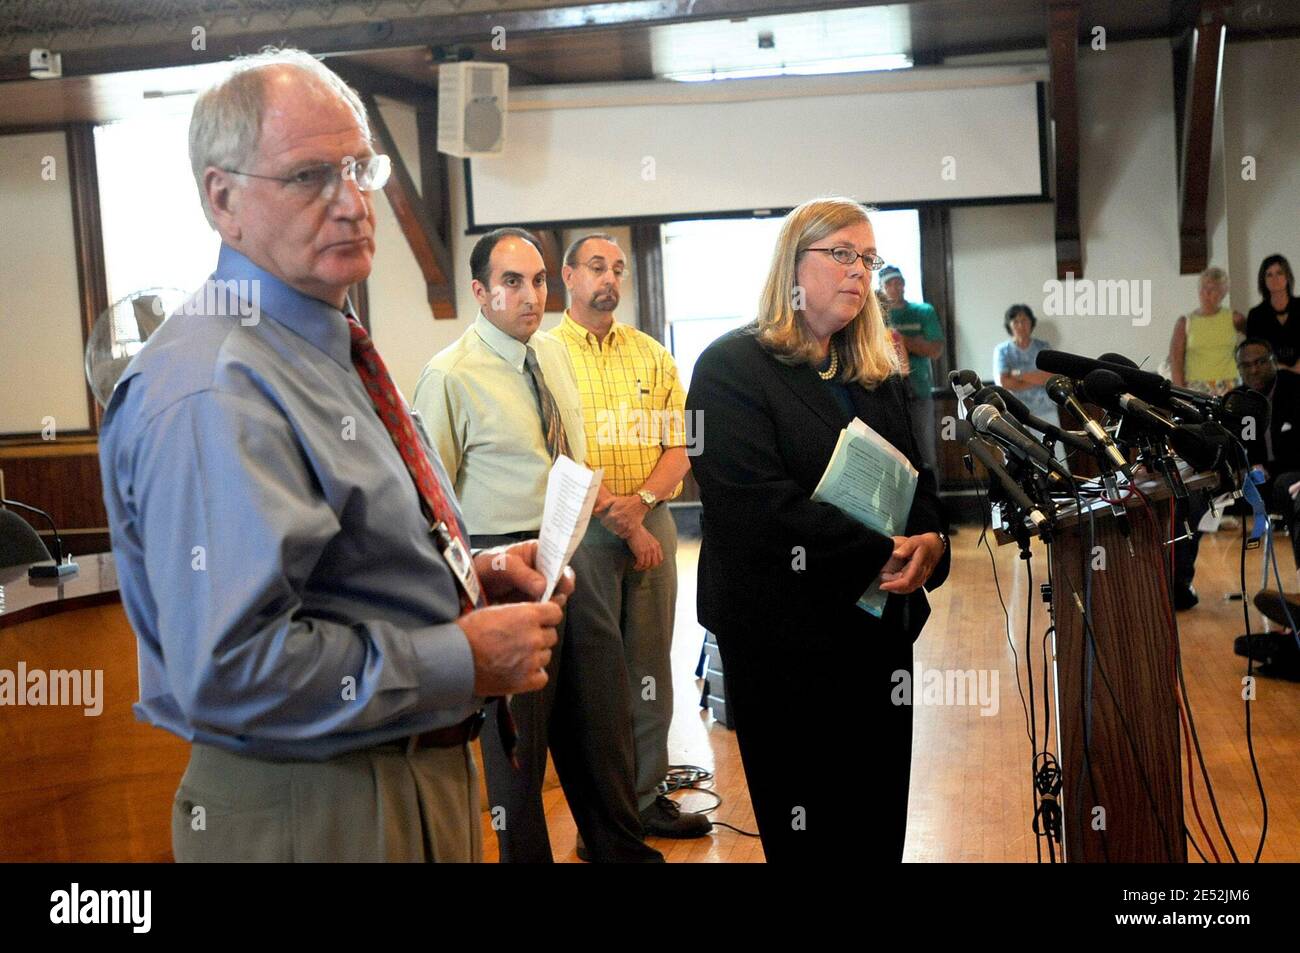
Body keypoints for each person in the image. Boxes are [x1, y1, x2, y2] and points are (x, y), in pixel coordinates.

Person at [98, 49, 568, 863]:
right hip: (317, 806)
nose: (353, 202)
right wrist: (460, 653)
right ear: (223, 198)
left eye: (362, 167)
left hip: (407, 776)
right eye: (311, 175)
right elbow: (234, 666)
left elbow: (345, 567)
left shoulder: (323, 345)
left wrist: (462, 581)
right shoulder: (217, 383)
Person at [686, 197, 951, 862]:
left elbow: (918, 480)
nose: (860, 271)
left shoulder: (875, 372)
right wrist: (885, 550)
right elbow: (757, 510)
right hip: (786, 643)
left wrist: (933, 542)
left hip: (878, 631)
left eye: (869, 258)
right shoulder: (730, 367)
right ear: (793, 266)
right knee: (811, 831)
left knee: (877, 821)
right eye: (842, 254)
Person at [412, 228, 660, 863]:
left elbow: (571, 454)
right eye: (513, 282)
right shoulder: (449, 375)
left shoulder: (549, 357)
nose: (531, 295)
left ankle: (620, 852)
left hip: (573, 549)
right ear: (480, 291)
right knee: (520, 743)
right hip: (502, 563)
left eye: (540, 280)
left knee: (602, 721)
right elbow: (429, 505)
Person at [555, 234, 707, 842]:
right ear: (567, 275)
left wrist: (640, 507)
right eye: (596, 267)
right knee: (596, 679)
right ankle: (608, 817)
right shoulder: (542, 353)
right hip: (581, 530)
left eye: (618, 269)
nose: (610, 279)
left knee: (651, 670)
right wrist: (613, 513)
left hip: (652, 525)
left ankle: (647, 799)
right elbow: (547, 448)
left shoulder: (651, 354)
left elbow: (683, 443)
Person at [879, 264, 944, 471]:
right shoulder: (876, 317)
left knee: (925, 453)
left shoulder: (923, 312)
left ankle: (933, 500)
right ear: (881, 288)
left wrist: (899, 339)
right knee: (892, 454)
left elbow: (935, 350)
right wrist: (915, 343)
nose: (895, 287)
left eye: (898, 282)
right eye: (889, 283)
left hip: (919, 391)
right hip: (884, 394)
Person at [1167, 266, 1245, 394]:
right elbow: (1176, 360)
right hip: (1196, 387)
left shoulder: (1235, 318)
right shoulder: (1185, 322)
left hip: (1230, 385)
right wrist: (1180, 393)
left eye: (1212, 289)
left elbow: (1253, 343)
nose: (1206, 293)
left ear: (1223, 292)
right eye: (1203, 287)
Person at [993, 304, 1058, 425]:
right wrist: (1036, 378)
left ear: (1031, 323)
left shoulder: (1043, 347)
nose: (1020, 326)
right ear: (1009, 325)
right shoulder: (1002, 350)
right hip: (1015, 411)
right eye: (1016, 321)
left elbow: (1049, 377)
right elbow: (1004, 383)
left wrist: (1018, 375)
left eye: (1024, 321)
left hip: (1045, 410)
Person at [1246, 255, 1298, 370]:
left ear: (1287, 277)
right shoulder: (1256, 315)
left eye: (1279, 273)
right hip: (1270, 378)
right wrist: (1283, 369)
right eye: (1269, 275)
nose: (1275, 278)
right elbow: (1254, 355)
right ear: (1263, 281)